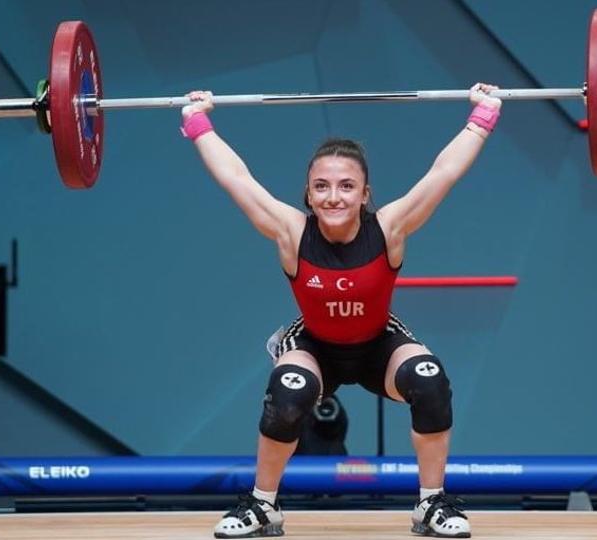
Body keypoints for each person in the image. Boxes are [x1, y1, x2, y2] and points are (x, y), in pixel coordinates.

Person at [180, 82, 502, 539]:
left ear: (365, 193)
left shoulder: (388, 228)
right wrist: (198, 122)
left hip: (378, 345)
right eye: (322, 187)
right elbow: (237, 179)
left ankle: (431, 504)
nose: (334, 197)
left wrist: (484, 115)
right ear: (308, 195)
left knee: (430, 381)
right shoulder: (292, 232)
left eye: (347, 186)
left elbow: (443, 173)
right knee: (288, 392)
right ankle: (263, 506)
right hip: (314, 346)